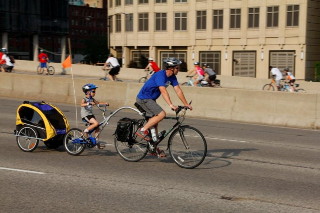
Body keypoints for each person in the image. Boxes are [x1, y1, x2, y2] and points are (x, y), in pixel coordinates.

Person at [135, 57, 192, 156]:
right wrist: (170, 104)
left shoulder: (172, 77)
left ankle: (153, 148)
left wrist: (186, 103)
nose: (178, 70)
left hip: (151, 99)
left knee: (155, 122)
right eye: (177, 68)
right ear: (171, 68)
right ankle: (142, 130)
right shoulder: (160, 75)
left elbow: (178, 90)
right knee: (161, 114)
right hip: (143, 99)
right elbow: (163, 91)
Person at [81, 83, 109, 148]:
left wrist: (105, 103)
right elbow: (82, 104)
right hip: (85, 115)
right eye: (93, 91)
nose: (94, 93)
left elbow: (98, 103)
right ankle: (85, 131)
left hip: (90, 115)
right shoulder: (84, 99)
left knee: (97, 128)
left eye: (95, 91)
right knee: (96, 123)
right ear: (88, 92)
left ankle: (96, 142)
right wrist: (88, 103)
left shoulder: (92, 99)